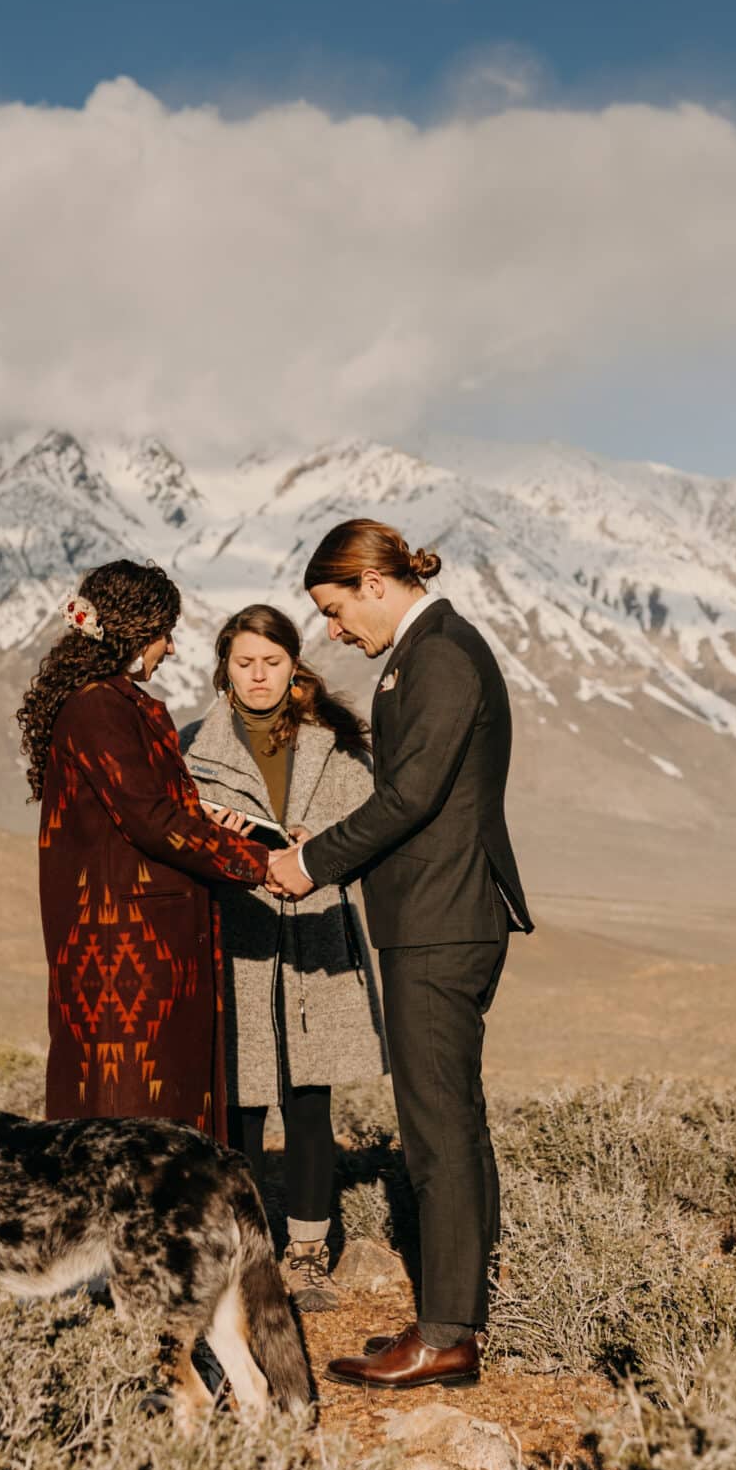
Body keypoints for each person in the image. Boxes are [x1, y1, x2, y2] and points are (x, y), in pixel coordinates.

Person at [266, 520, 532, 1390]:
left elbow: (414, 794)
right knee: (449, 1117)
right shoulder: (423, 654)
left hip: (441, 921)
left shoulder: (443, 655)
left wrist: (311, 861)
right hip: (433, 911)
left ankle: (451, 1333)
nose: (333, 633)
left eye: (335, 610)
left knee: (438, 1129)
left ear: (373, 584)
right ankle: (454, 1309)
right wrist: (332, 838)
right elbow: (419, 794)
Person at [180, 605, 388, 1313]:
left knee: (309, 1099)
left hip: (315, 939)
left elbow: (369, 832)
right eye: (245, 663)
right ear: (224, 668)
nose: (259, 675)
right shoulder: (189, 749)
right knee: (238, 1102)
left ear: (293, 665)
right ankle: (241, 1249)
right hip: (235, 939)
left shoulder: (337, 747)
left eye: (272, 662)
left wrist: (316, 841)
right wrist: (225, 843)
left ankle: (306, 1255)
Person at [17, 559, 271, 1134]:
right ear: (133, 632)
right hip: (126, 956)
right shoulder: (99, 708)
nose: (171, 649)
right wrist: (259, 864)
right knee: (136, 1118)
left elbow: (144, 806)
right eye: (163, 634)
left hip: (134, 948)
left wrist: (220, 824)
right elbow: (150, 819)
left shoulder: (107, 703)